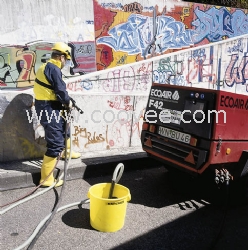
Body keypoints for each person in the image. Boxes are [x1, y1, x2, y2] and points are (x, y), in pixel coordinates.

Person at [33, 42, 81, 187]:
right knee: (55, 143)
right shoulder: (53, 68)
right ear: (61, 57)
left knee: (64, 127)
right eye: (66, 59)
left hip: (50, 104)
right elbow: (60, 90)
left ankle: (66, 152)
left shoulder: (46, 66)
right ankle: (46, 179)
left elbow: (55, 89)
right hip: (49, 107)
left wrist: (66, 101)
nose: (66, 62)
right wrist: (68, 101)